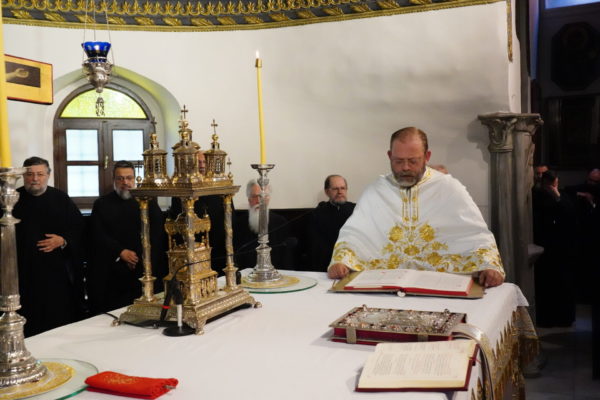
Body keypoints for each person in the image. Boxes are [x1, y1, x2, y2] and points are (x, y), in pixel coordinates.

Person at [328, 127, 505, 288]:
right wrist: (341, 260)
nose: (405, 167)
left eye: (413, 161)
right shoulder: (376, 191)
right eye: (398, 161)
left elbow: (475, 233)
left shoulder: (449, 188)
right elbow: (356, 232)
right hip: (385, 285)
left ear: (427, 157)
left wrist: (489, 265)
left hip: (439, 286)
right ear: (389, 156)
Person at [13, 157, 85, 336]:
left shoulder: (60, 198)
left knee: (57, 320)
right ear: (23, 176)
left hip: (55, 272)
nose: (35, 179)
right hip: (23, 272)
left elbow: (79, 228)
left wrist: (63, 240)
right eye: (30, 174)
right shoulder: (12, 199)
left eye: (40, 174)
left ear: (48, 175)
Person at [88, 160, 167, 314]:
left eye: (129, 178)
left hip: (144, 267)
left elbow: (157, 235)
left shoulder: (148, 202)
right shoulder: (102, 204)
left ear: (135, 178)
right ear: (114, 180)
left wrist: (139, 258)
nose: (125, 182)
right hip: (113, 268)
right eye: (120, 178)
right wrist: (121, 252)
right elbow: (98, 234)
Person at [168, 151, 232, 275]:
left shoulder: (219, 187)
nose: (202, 165)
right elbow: (178, 221)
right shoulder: (182, 190)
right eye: (198, 163)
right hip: (194, 249)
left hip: (218, 247)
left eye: (204, 162)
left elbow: (229, 217)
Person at [532, 170, 577, 326]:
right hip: (546, 246)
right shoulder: (536, 195)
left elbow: (570, 213)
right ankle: (547, 319)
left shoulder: (563, 195)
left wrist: (556, 194)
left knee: (564, 283)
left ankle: (564, 318)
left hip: (563, 247)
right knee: (547, 284)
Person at [234, 179, 293, 269]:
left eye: (263, 196)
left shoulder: (280, 223)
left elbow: (287, 258)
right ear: (249, 199)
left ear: (268, 199)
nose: (259, 201)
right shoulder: (239, 224)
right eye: (255, 196)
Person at [307, 175, 355, 271]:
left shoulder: (356, 210)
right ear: (327, 192)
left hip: (353, 261)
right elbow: (317, 246)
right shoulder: (317, 214)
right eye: (335, 189)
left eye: (343, 188)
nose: (340, 192)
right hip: (328, 264)